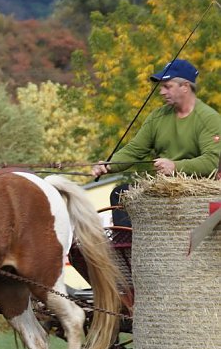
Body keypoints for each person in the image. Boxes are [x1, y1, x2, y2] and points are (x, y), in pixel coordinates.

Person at [92, 58, 221, 225]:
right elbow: (135, 149)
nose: (161, 92)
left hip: (195, 191)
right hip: (163, 187)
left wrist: (174, 166)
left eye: (167, 86)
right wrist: (108, 165)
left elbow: (211, 162)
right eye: (161, 87)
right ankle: (128, 248)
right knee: (120, 193)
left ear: (185, 87)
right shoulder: (158, 116)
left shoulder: (209, 118)